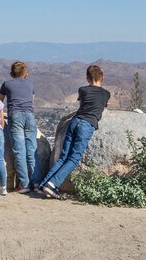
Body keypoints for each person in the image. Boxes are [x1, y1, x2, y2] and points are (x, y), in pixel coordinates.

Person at [40, 65, 111, 200]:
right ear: (103, 78)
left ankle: (44, 184)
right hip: (87, 124)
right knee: (74, 158)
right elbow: (102, 105)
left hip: (75, 121)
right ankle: (52, 184)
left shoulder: (82, 90)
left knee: (63, 156)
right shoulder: (106, 93)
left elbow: (83, 102)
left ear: (87, 79)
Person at [0, 61, 40, 193]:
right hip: (30, 116)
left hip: (15, 116)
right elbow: (31, 101)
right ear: (25, 74)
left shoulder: (6, 84)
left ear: (11, 73)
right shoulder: (30, 84)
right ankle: (36, 182)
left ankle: (24, 183)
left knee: (19, 150)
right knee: (32, 150)